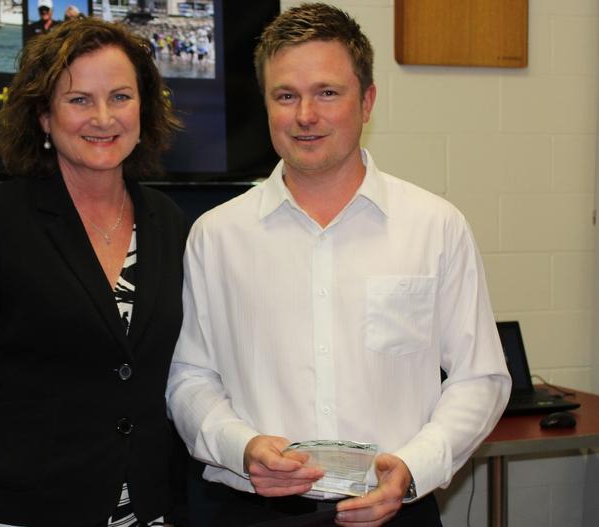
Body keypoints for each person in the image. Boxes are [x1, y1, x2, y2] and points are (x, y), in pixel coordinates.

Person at [166, 3, 511, 526]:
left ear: (367, 101)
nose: (305, 115)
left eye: (328, 92)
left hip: (395, 508)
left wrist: (414, 466)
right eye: (286, 95)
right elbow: (190, 377)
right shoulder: (216, 236)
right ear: (266, 104)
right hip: (252, 511)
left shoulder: (434, 227)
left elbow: (480, 376)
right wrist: (242, 446)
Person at [0, 17, 186, 527]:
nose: (103, 117)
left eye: (120, 97)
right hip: (15, 511)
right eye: (78, 100)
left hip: (142, 511)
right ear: (44, 118)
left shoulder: (169, 222)